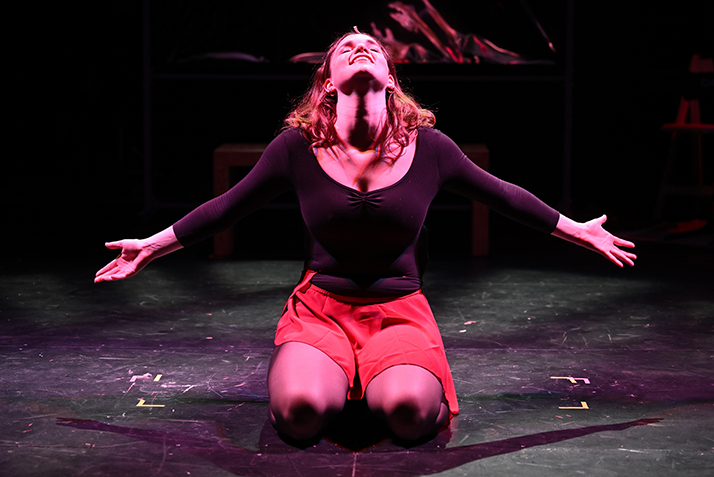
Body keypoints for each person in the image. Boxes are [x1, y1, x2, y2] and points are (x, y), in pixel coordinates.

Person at [95, 30, 636, 443]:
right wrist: (151, 245)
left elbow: (504, 195)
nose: (360, 48)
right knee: (300, 417)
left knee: (408, 418)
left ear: (391, 79)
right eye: (346, 47)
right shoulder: (295, 148)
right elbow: (226, 208)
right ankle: (327, 373)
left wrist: (577, 232)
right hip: (321, 310)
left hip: (399, 309)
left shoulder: (432, 148)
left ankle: (386, 377)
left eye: (372, 47)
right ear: (327, 80)